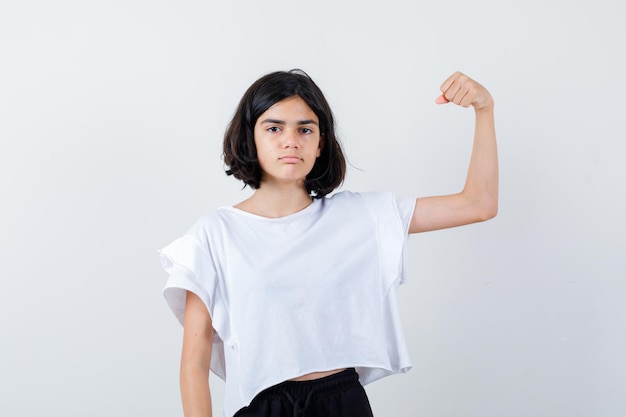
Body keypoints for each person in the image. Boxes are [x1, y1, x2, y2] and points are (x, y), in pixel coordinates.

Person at [158, 69, 498, 417]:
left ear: (320, 143)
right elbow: (194, 364)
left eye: (305, 129)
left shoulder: (359, 216)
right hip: (262, 406)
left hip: (341, 402)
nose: (290, 141)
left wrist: (484, 109)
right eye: (274, 128)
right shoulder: (215, 234)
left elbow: (478, 204)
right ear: (251, 138)